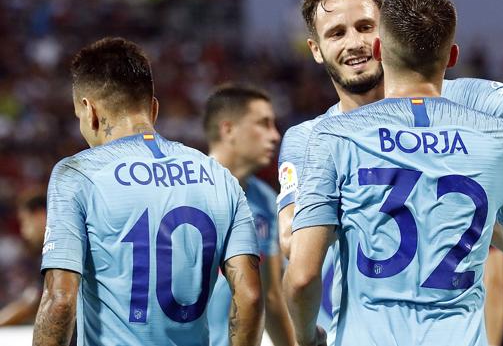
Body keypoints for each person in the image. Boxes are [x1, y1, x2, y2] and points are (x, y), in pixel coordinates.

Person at [276, 0, 503, 333]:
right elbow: (291, 242)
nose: (354, 43)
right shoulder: (309, 138)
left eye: (365, 27)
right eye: (337, 33)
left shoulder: (456, 99)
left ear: (385, 33)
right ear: (316, 50)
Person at [32, 37, 264, 346]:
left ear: (90, 112)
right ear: (153, 109)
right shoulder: (219, 176)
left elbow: (60, 300)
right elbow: (249, 295)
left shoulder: (77, 175)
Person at [203, 84, 295, 346]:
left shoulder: (266, 200)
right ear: (228, 129)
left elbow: (272, 296)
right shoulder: (185, 194)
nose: (275, 136)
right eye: (263, 124)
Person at [0, 189, 47, 326]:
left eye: (25, 222)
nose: (24, 232)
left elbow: (32, 302)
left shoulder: (57, 252)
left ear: (40, 215)